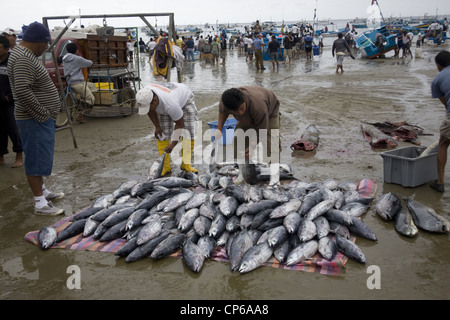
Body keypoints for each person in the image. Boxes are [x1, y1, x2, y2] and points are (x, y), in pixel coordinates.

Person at [7, 21, 65, 215]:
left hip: (37, 118)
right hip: (33, 119)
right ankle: (40, 203)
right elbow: (23, 90)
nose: (46, 48)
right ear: (37, 41)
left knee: (41, 157)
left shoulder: (24, 54)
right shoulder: (24, 57)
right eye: (45, 44)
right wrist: (42, 114)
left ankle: (43, 191)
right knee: (35, 158)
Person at [214, 86, 281, 187]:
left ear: (244, 100)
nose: (239, 113)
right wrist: (219, 129)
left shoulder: (258, 106)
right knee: (237, 139)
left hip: (269, 113)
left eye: (241, 108)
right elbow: (223, 112)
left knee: (271, 143)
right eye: (235, 112)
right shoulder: (226, 102)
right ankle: (242, 174)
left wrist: (252, 146)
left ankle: (275, 179)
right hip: (246, 118)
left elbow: (262, 130)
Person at [136, 82, 199, 176]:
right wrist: (157, 127)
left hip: (185, 100)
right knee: (162, 134)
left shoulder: (171, 104)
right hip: (167, 101)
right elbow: (150, 111)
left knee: (189, 133)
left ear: (155, 100)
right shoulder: (144, 95)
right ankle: (165, 166)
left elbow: (179, 123)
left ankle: (186, 164)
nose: (148, 109)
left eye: (149, 107)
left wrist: (173, 144)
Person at [0, 35, 23, 168]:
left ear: (6, 48)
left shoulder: (12, 62)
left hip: (10, 104)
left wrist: (9, 97)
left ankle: (19, 156)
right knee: (0, 132)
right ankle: (1, 156)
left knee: (14, 131)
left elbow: (19, 82)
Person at [62, 42, 97, 123]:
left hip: (70, 82)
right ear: (76, 50)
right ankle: (81, 115)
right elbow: (89, 63)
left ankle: (83, 100)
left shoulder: (65, 58)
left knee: (92, 86)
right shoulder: (77, 59)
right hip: (77, 83)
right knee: (91, 99)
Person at [430, 50, 450, 193]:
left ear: (439, 65)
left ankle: (440, 182)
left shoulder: (437, 79)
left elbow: (446, 104)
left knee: (443, 143)